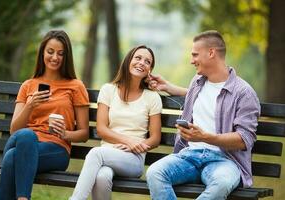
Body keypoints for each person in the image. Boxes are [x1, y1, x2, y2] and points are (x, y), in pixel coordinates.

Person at [146, 30, 261, 200]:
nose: (191, 60)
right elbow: (202, 96)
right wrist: (169, 87)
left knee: (221, 184)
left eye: (195, 55)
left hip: (224, 161)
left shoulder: (244, 93)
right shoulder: (197, 82)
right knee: (155, 173)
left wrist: (205, 137)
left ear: (211, 53)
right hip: (189, 156)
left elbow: (244, 139)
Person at [0, 30, 90, 200]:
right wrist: (30, 105)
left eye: (60, 53)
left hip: (56, 150)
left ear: (66, 57)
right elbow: (14, 130)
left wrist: (65, 134)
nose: (55, 57)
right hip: (25, 141)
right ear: (42, 53)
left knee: (12, 157)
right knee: (25, 135)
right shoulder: (28, 85)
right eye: (50, 51)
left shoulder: (76, 86)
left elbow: (84, 133)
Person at [69, 45, 162, 200]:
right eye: (138, 58)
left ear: (149, 70)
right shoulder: (108, 90)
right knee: (101, 177)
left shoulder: (152, 98)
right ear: (128, 61)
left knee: (95, 153)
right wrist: (128, 141)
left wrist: (134, 146)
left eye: (147, 62)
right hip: (107, 152)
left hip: (133, 158)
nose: (142, 63)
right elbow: (101, 129)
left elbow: (155, 138)